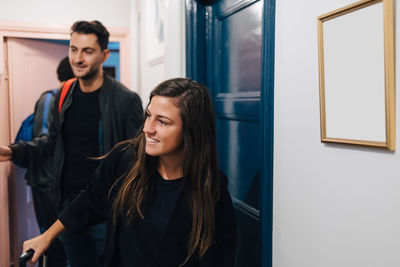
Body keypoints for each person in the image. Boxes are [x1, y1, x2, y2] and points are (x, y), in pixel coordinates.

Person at [21, 78, 237, 267]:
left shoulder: (211, 192)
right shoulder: (125, 159)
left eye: (162, 121)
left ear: (191, 130)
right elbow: (89, 201)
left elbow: (219, 259)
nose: (147, 128)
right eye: (148, 115)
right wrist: (46, 236)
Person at [0, 20, 143, 267]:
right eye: (73, 49)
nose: (78, 58)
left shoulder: (125, 100)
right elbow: (51, 142)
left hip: (103, 209)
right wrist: (13, 150)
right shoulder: (64, 93)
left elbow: (137, 159)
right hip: (67, 206)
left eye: (87, 51)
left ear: (104, 54)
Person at [19, 56, 74, 267]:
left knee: (60, 242)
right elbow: (44, 140)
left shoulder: (69, 100)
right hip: (45, 182)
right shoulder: (51, 98)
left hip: (56, 183)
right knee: (51, 241)